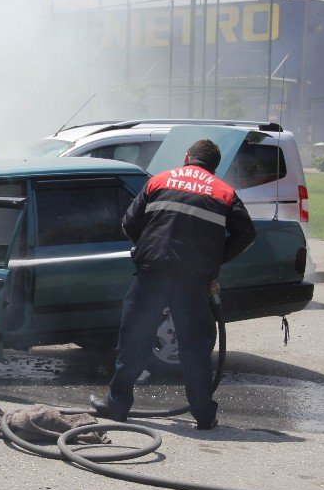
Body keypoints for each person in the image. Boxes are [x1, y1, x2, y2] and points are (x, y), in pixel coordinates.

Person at [91, 139, 256, 430]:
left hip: (151, 272)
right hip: (193, 280)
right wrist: (213, 261)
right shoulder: (224, 192)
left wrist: (147, 247)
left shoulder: (160, 180)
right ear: (213, 166)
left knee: (134, 339)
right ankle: (204, 415)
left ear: (187, 157)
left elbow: (129, 222)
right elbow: (246, 234)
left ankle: (117, 405)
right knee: (194, 347)